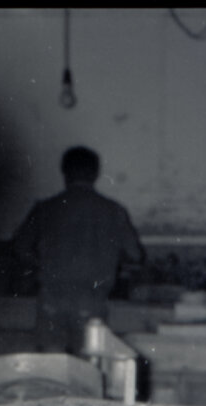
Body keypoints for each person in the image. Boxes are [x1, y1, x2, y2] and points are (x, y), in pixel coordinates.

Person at [11, 145, 145, 355]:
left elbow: (19, 248)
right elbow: (136, 255)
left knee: (52, 366)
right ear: (95, 173)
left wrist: (41, 265)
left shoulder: (45, 208)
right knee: (87, 367)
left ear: (64, 171)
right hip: (91, 301)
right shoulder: (113, 211)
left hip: (51, 299)